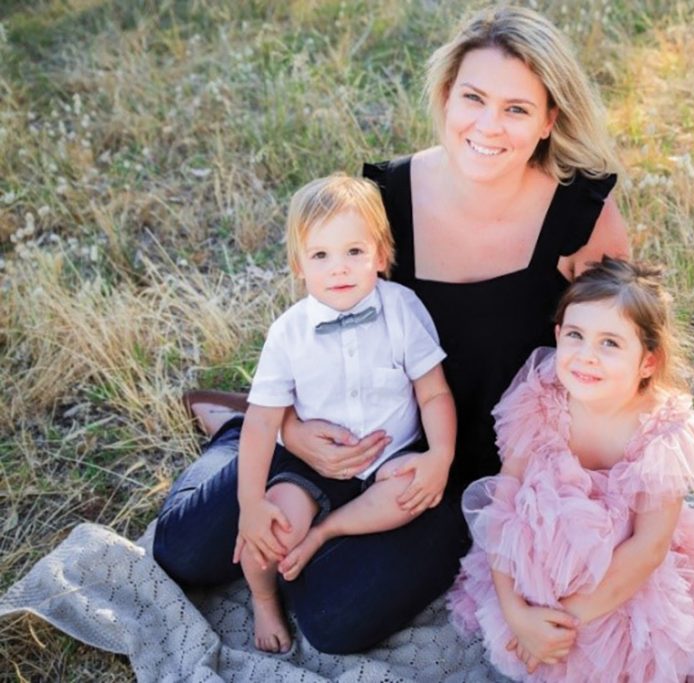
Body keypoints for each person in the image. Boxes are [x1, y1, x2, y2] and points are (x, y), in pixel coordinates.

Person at [153, 4, 629, 655]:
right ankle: (245, 427)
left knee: (331, 619)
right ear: (445, 96)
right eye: (474, 98)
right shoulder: (386, 196)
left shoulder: (582, 218)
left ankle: (315, 509)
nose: (489, 125)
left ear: (550, 119)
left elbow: (619, 363)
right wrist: (291, 431)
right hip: (343, 421)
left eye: (517, 109)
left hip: (453, 466)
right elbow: (321, 324)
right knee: (184, 548)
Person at [448, 257, 694, 681]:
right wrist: (516, 613)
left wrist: (564, 623)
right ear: (557, 335)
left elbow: (647, 547)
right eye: (576, 336)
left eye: (610, 343)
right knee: (535, 510)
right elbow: (504, 499)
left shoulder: (660, 432)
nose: (586, 357)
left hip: (615, 588)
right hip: (535, 569)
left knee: (605, 662)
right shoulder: (543, 398)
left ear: (648, 362)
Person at [232, 174, 456, 653]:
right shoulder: (288, 334)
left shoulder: (401, 309)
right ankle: (264, 597)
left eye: (354, 252)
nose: (339, 269)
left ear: (380, 254)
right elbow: (262, 422)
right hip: (311, 463)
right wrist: (251, 504)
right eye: (320, 256)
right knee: (267, 534)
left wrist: (439, 454)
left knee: (412, 494)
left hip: (389, 456)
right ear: (298, 265)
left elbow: (433, 392)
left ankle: (326, 532)